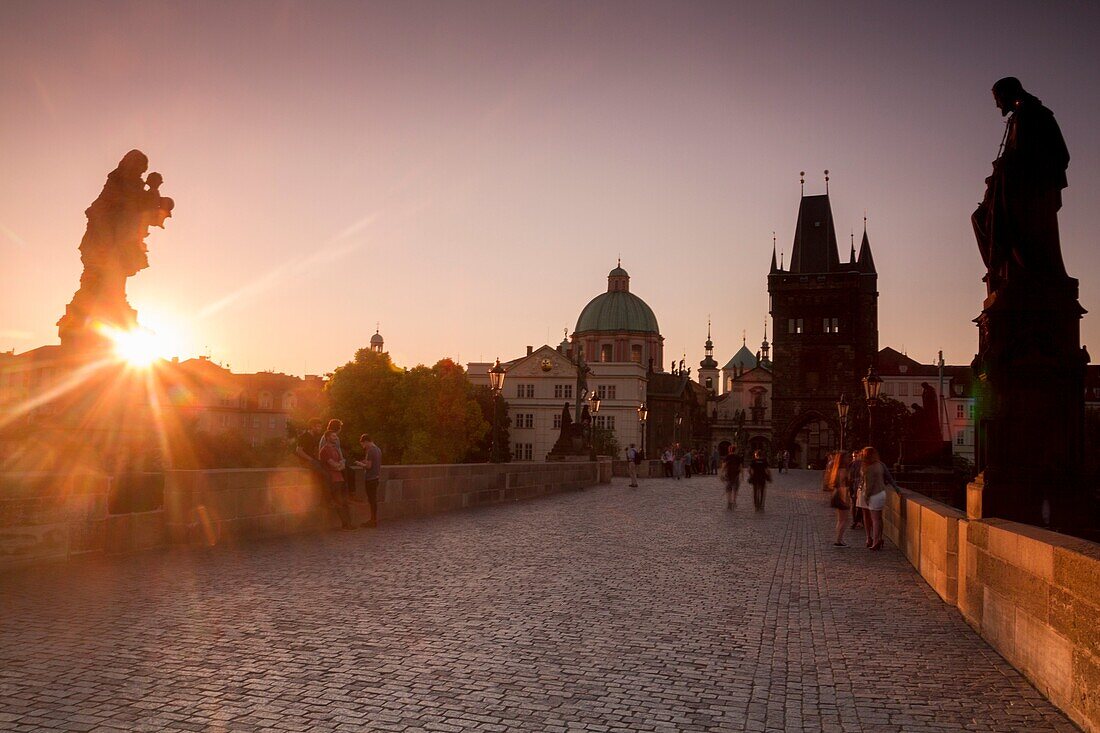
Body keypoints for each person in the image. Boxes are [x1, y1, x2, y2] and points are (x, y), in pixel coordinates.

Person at [319, 430, 354, 530]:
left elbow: (341, 465)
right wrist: (339, 465)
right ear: (327, 438)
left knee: (344, 503)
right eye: (333, 436)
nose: (336, 438)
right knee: (339, 502)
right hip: (332, 480)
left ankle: (348, 524)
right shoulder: (324, 450)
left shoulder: (335, 449)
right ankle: (345, 525)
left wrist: (339, 465)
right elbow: (334, 465)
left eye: (335, 436)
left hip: (340, 479)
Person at [857, 446, 887, 550]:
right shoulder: (879, 465)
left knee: (874, 519)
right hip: (881, 493)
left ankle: (874, 541)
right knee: (878, 518)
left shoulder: (868, 468)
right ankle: (878, 539)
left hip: (872, 494)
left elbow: (869, 485)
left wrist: (866, 496)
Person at [353, 434, 382, 527]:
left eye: (362, 444)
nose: (363, 447)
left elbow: (369, 466)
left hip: (370, 478)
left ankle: (372, 521)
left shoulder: (370, 450)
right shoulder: (377, 449)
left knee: (371, 500)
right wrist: (364, 461)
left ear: (365, 442)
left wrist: (359, 464)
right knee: (373, 500)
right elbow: (373, 462)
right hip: (376, 477)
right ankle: (374, 520)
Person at [826, 451, 852, 547]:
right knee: (844, 519)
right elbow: (842, 484)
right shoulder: (843, 470)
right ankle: (839, 540)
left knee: (841, 519)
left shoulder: (836, 469)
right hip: (841, 493)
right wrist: (845, 498)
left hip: (837, 493)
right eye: (847, 457)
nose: (849, 459)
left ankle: (839, 539)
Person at [848, 449, 865, 530]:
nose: (854, 458)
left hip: (859, 487)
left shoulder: (860, 464)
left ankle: (857, 521)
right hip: (855, 487)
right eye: (853, 456)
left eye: (855, 456)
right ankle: (856, 521)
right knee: (855, 505)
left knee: (858, 505)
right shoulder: (852, 464)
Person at [723, 446, 744, 510]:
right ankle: (734, 500)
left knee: (728, 488)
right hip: (736, 474)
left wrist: (721, 473)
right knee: (735, 488)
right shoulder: (738, 457)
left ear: (729, 450)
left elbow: (724, 466)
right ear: (735, 450)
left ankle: (729, 502)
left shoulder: (727, 457)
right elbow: (740, 467)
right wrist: (742, 474)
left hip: (728, 474)